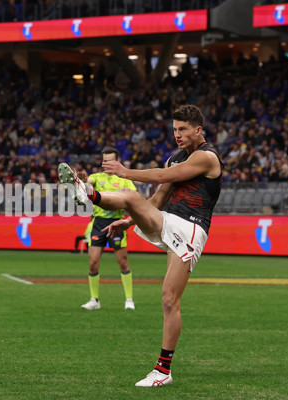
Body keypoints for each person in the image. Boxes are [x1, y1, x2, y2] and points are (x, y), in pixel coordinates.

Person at [58, 105, 223, 387]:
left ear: (198, 129)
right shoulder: (176, 159)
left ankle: (162, 371)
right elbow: (157, 201)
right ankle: (87, 191)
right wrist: (129, 221)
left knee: (170, 300)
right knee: (129, 198)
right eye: (174, 129)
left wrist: (125, 171)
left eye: (183, 129)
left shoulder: (206, 157)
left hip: (192, 229)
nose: (177, 135)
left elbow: (161, 177)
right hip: (170, 220)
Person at [77, 147, 137, 311]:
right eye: (105, 161)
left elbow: (134, 196)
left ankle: (129, 299)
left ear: (117, 161)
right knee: (93, 263)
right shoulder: (97, 177)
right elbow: (88, 182)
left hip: (117, 223)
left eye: (110, 160)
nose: (107, 164)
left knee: (122, 262)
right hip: (98, 223)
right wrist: (82, 180)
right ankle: (94, 300)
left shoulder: (125, 179)